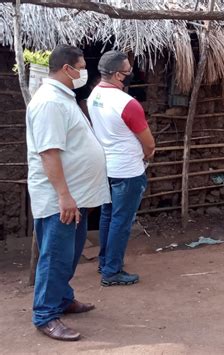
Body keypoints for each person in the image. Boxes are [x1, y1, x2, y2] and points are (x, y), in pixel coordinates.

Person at [26, 44, 111, 341]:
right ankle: (46, 315)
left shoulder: (62, 98)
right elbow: (49, 152)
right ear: (67, 69)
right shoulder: (49, 102)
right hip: (61, 198)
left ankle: (62, 299)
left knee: (70, 253)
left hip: (76, 194)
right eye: (82, 66)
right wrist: (64, 195)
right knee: (56, 255)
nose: (84, 72)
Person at [88, 51, 155, 286]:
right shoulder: (127, 103)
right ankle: (112, 272)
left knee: (108, 215)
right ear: (118, 74)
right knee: (122, 221)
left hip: (106, 166)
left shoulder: (94, 95)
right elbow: (148, 142)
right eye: (128, 71)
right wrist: (147, 155)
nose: (130, 74)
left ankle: (106, 262)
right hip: (127, 170)